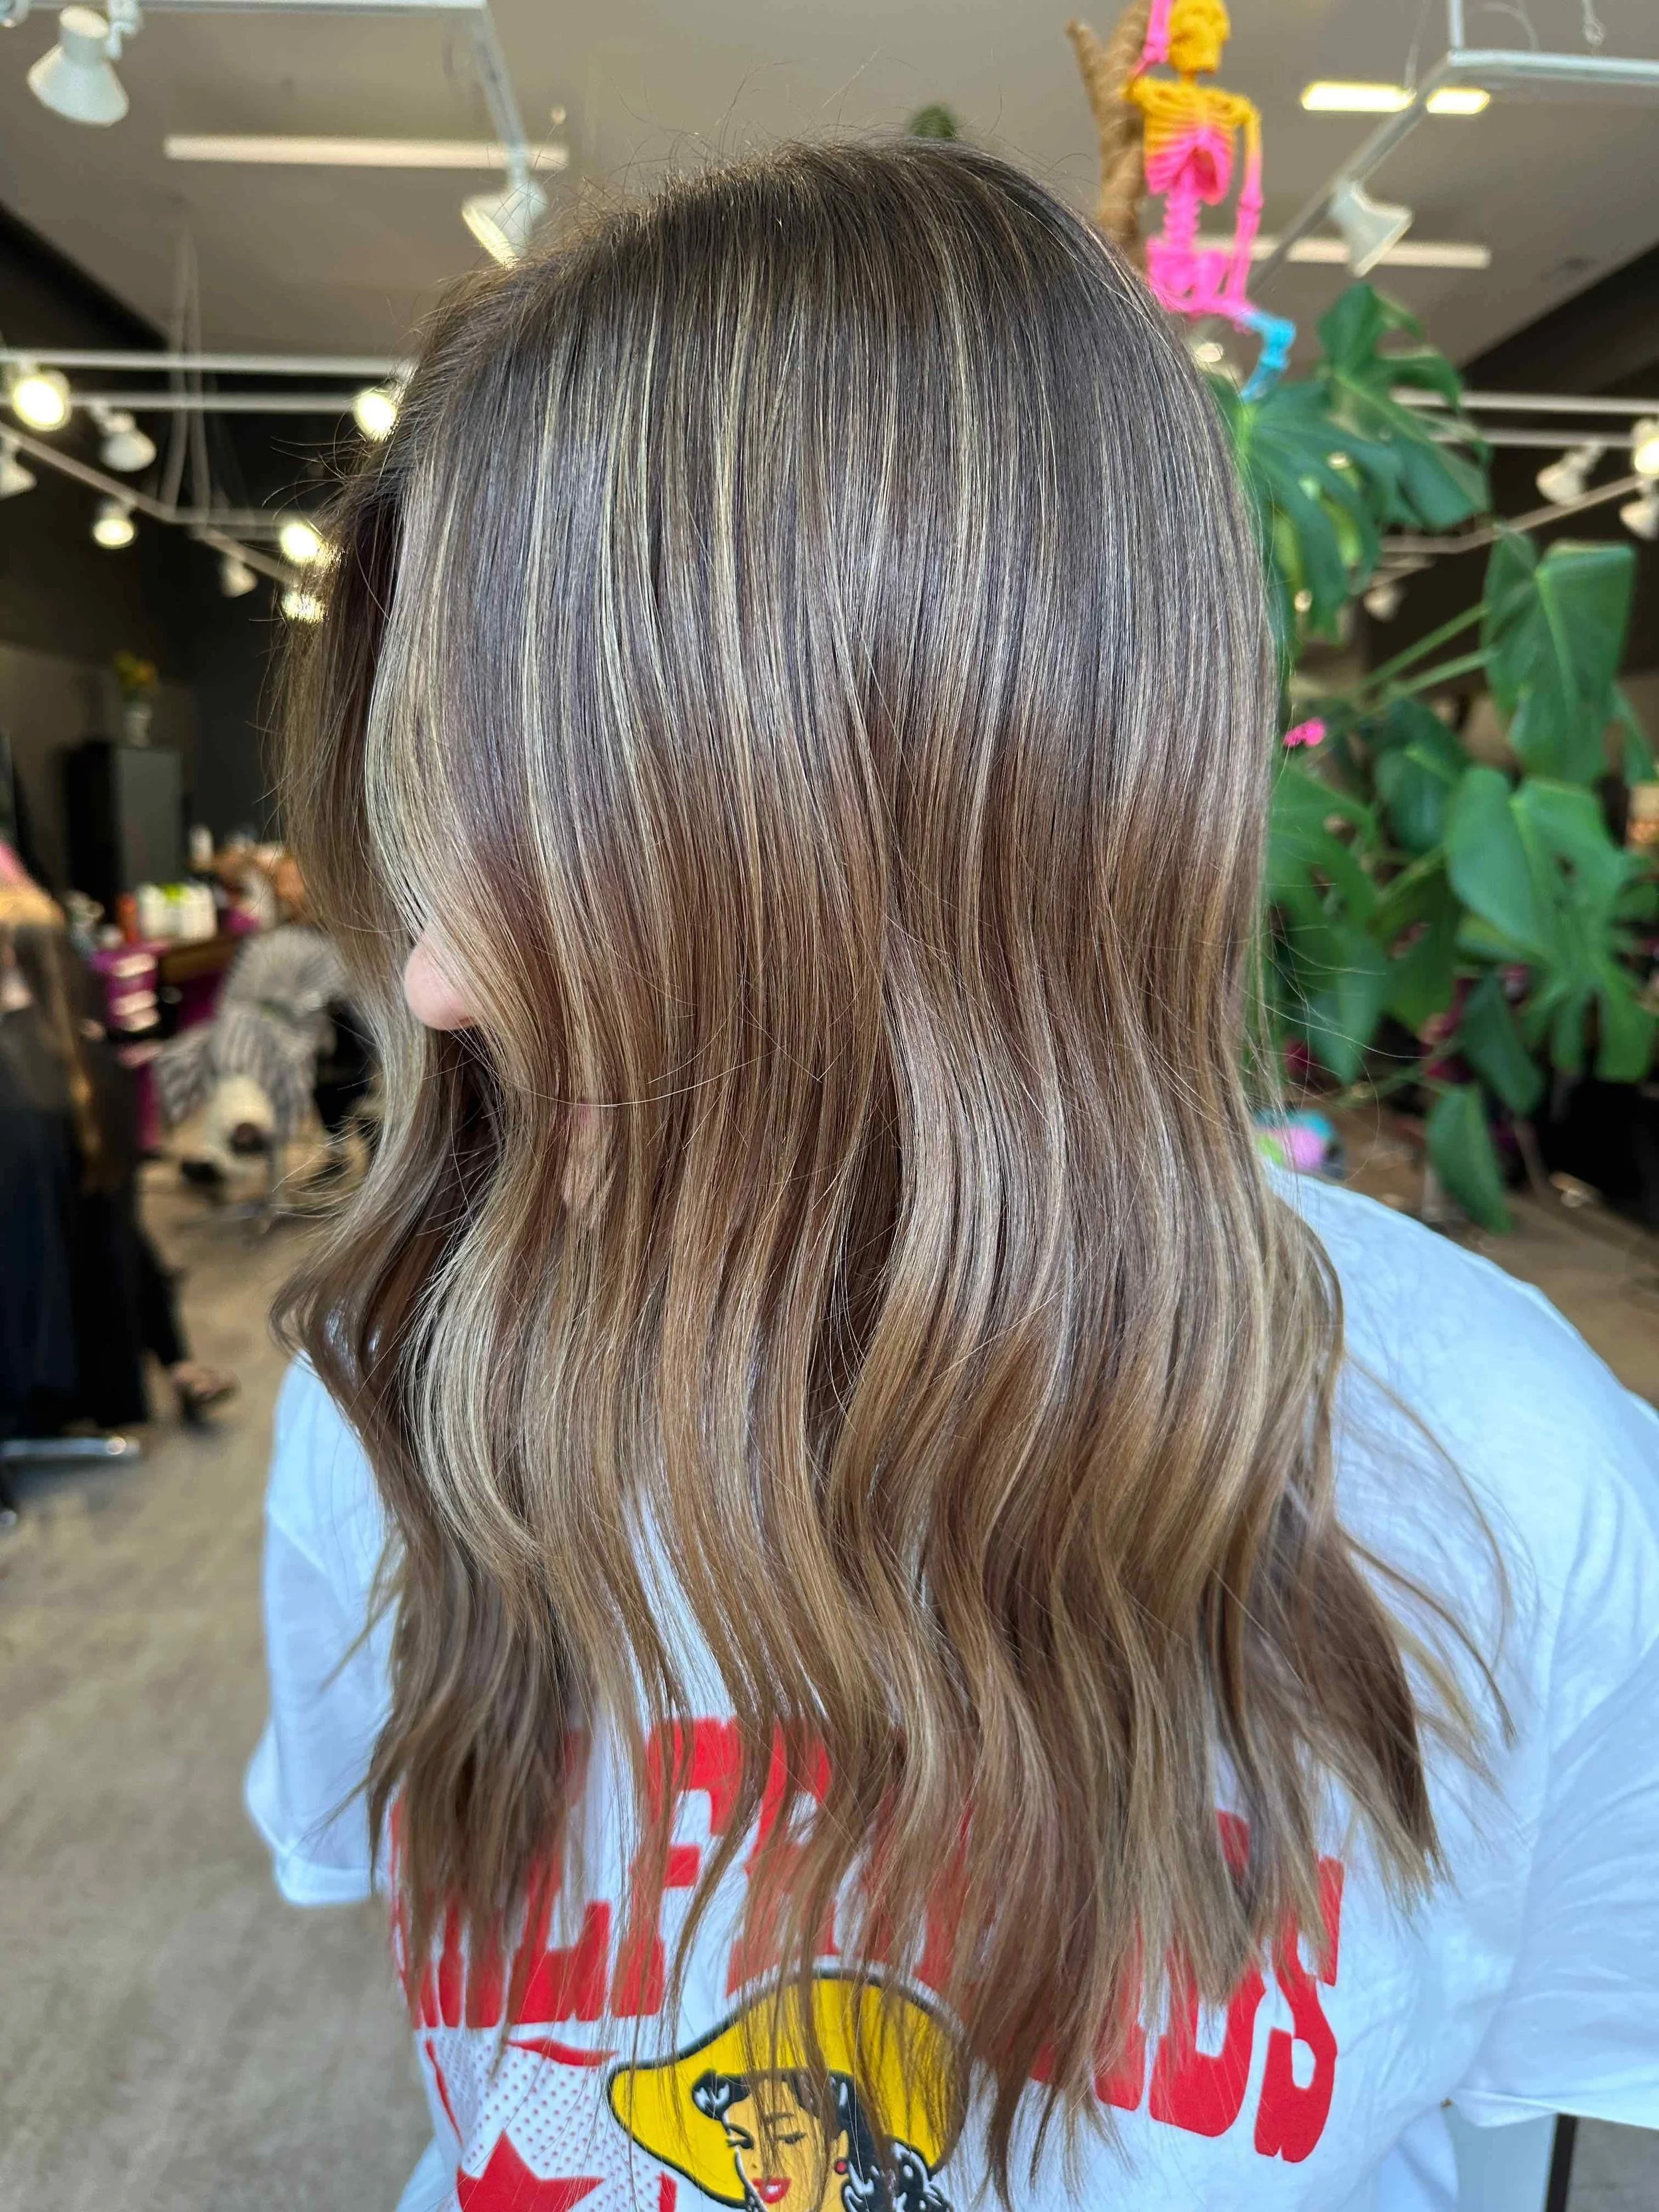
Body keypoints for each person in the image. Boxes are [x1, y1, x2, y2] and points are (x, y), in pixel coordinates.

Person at [248, 143, 1659, 2212]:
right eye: (429, 801)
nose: (435, 977)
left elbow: (1538, 2107)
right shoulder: (395, 1390)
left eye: (553, 823)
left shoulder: (1503, 1484)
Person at [0, 879, 238, 1428]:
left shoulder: (19, 1066)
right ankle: (178, 1363)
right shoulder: (88, 1054)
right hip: (84, 1263)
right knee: (121, 1228)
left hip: (36, 1299)